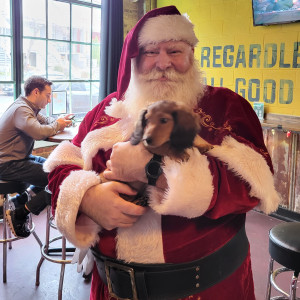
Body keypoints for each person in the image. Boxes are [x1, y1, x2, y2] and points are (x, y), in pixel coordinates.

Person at [45, 6, 280, 300]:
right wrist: (87, 198)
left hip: (206, 289)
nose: (163, 63)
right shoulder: (106, 111)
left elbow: (254, 185)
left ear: (191, 56)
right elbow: (61, 165)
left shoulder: (227, 107)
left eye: (174, 51)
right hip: (111, 290)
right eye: (150, 51)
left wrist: (153, 169)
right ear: (135, 59)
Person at [0, 76, 72, 238]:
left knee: (54, 169)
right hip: (7, 164)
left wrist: (60, 121)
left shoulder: (27, 106)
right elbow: (38, 132)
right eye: (47, 95)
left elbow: (44, 121)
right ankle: (20, 213)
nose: (49, 100)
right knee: (58, 179)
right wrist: (57, 125)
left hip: (18, 159)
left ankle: (20, 200)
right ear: (36, 92)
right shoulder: (22, 110)